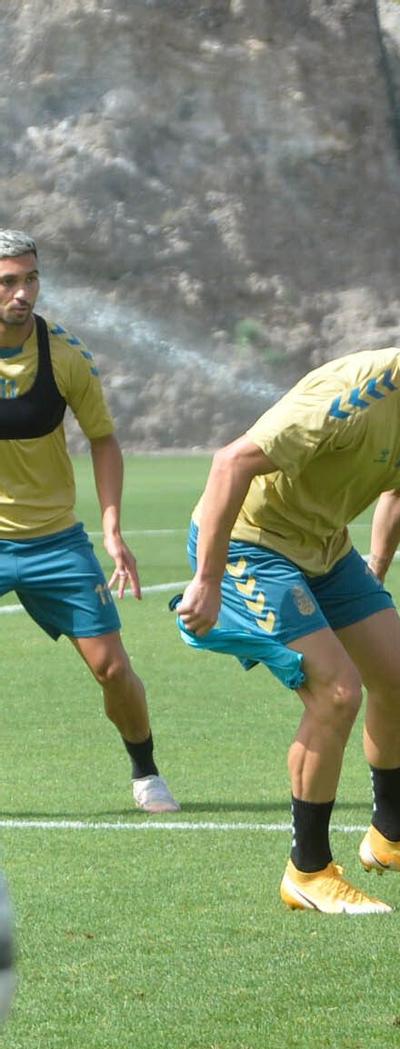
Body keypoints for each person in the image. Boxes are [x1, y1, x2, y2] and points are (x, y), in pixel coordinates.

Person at [174, 283, 400, 915]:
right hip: (253, 542)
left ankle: (391, 839)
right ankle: (307, 871)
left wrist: (375, 570)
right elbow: (231, 462)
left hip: (327, 549)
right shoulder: (358, 392)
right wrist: (209, 580)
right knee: (336, 691)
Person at [0, 229, 179, 814]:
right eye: (8, 281)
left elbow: (103, 439)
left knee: (112, 668)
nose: (21, 292)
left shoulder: (66, 355)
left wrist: (111, 529)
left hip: (56, 542)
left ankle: (146, 770)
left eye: (30, 278)